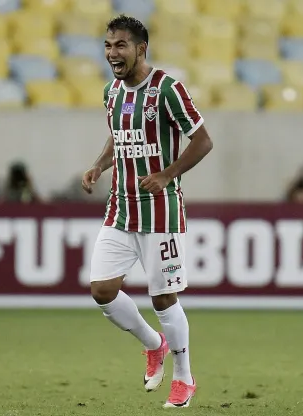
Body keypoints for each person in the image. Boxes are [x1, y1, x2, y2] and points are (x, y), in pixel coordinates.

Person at [80, 15, 213, 409]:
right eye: (107, 45)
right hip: (120, 207)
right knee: (102, 290)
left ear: (141, 48)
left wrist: (167, 174)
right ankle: (154, 345)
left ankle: (184, 377)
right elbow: (118, 133)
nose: (112, 53)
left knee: (163, 298)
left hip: (161, 210)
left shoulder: (167, 90)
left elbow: (203, 141)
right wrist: (99, 165)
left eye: (120, 45)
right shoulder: (111, 92)